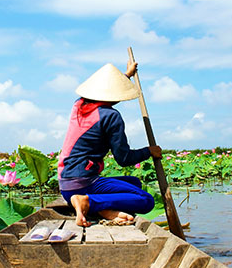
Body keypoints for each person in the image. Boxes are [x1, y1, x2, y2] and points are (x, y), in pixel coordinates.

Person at [57, 60, 162, 227]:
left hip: (65, 185)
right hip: (84, 183)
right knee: (146, 200)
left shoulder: (78, 105)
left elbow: (106, 92)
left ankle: (100, 208)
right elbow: (124, 158)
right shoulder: (111, 116)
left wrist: (126, 75)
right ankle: (88, 202)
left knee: (134, 183)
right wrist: (149, 151)